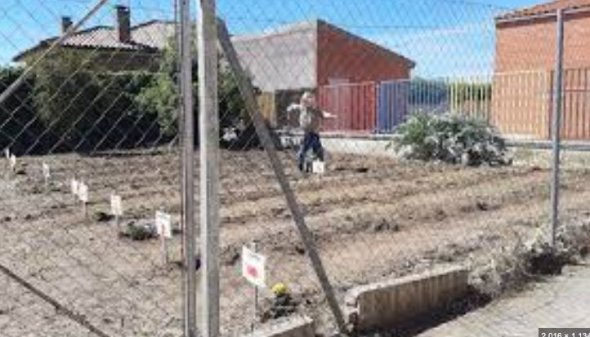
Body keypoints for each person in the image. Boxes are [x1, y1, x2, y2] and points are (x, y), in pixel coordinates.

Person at [287, 91, 336, 172]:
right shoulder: (303, 108)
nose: (307, 101)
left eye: (310, 99)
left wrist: (329, 116)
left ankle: (318, 168)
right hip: (308, 134)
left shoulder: (315, 109)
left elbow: (322, 113)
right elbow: (296, 106)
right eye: (305, 99)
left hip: (315, 134)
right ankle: (300, 164)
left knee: (318, 151)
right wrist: (291, 107)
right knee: (304, 149)